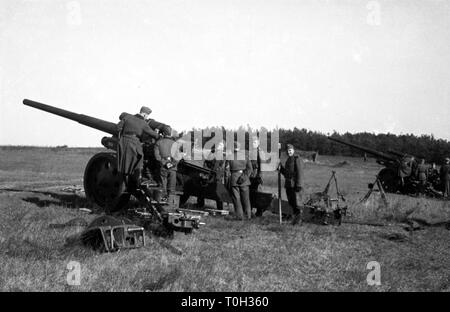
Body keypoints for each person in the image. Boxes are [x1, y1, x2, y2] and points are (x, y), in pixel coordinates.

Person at [117, 106, 159, 190]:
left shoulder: (127, 117)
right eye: (147, 115)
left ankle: (124, 180)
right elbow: (153, 134)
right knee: (140, 156)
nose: (147, 117)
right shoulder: (143, 123)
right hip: (134, 141)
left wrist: (120, 137)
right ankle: (138, 179)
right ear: (144, 114)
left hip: (123, 141)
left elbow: (118, 127)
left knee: (124, 161)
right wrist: (157, 133)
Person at [225, 142, 253, 220]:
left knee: (236, 199)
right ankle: (248, 216)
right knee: (246, 199)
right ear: (239, 148)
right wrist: (244, 177)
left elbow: (226, 171)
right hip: (244, 180)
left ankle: (239, 216)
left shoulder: (229, 157)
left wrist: (227, 182)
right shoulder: (246, 156)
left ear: (233, 148)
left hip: (234, 179)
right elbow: (250, 169)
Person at [278, 144, 305, 225]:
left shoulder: (297, 159)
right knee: (292, 202)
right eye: (287, 151)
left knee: (297, 204)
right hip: (289, 185)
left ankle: (298, 221)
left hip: (295, 185)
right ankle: (295, 219)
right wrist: (281, 168)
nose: (288, 152)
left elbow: (300, 173)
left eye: (290, 150)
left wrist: (299, 185)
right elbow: (287, 173)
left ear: (293, 150)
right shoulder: (288, 160)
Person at [197, 141, 227, 209]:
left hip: (217, 175)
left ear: (223, 147)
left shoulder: (224, 155)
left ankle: (220, 208)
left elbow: (223, 166)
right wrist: (205, 171)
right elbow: (206, 162)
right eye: (218, 144)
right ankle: (200, 204)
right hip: (208, 174)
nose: (219, 146)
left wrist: (218, 173)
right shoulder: (212, 153)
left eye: (221, 145)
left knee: (218, 191)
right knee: (202, 187)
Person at [154, 125, 178, 201]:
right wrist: (171, 164)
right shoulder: (175, 144)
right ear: (170, 134)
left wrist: (164, 163)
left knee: (162, 186)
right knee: (172, 187)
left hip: (163, 167)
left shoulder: (158, 143)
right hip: (173, 168)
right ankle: (171, 203)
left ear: (163, 133)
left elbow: (157, 156)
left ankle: (161, 202)